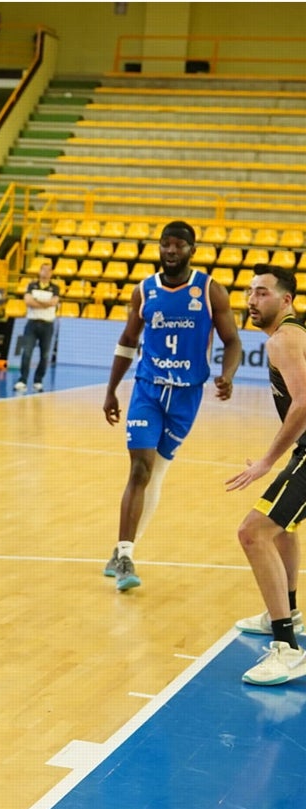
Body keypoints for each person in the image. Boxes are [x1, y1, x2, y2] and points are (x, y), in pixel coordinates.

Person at [102, 220, 241, 592]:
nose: (172, 250)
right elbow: (128, 340)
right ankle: (126, 555)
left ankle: (119, 549)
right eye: (166, 244)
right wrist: (111, 389)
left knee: (157, 473)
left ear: (192, 250)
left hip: (187, 395)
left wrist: (227, 375)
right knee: (140, 470)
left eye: (179, 245)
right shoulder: (144, 291)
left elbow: (232, 341)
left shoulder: (211, 290)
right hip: (148, 389)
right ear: (159, 248)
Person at [225, 264, 306, 685]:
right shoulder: (293, 333)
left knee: (253, 533)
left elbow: (305, 402)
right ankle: (288, 613)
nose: (252, 301)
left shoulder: (285, 339)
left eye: (262, 293)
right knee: (282, 528)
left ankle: (288, 649)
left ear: (286, 300)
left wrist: (267, 461)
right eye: (251, 293)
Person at [14, 261, 60, 392]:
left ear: (51, 273)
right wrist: (45, 303)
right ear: (40, 271)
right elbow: (27, 301)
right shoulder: (31, 285)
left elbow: (54, 302)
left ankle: (38, 381)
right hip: (32, 324)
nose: (45, 272)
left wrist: (36, 301)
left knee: (44, 355)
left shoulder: (55, 288)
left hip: (47, 325)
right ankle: (22, 380)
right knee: (26, 352)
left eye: (48, 270)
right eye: (43, 270)